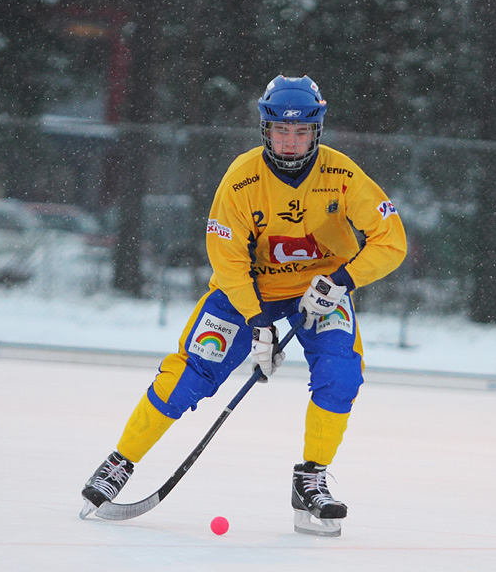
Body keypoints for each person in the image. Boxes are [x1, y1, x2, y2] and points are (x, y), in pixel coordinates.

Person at [80, 74, 407, 536]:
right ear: (265, 130)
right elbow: (228, 259)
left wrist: (339, 281)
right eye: (281, 131)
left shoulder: (342, 175)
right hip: (244, 297)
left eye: (301, 132)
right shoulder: (242, 180)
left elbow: (391, 240)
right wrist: (257, 324)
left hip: (319, 294)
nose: (290, 143)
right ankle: (119, 463)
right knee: (188, 378)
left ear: (317, 132)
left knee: (341, 373)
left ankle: (310, 479)